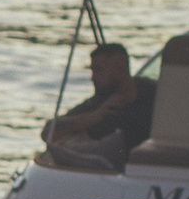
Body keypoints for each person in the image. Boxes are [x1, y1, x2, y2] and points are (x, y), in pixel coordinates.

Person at [40, 41, 157, 172]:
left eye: (99, 70)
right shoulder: (98, 104)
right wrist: (92, 118)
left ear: (119, 68)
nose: (93, 78)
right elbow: (48, 133)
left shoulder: (153, 92)